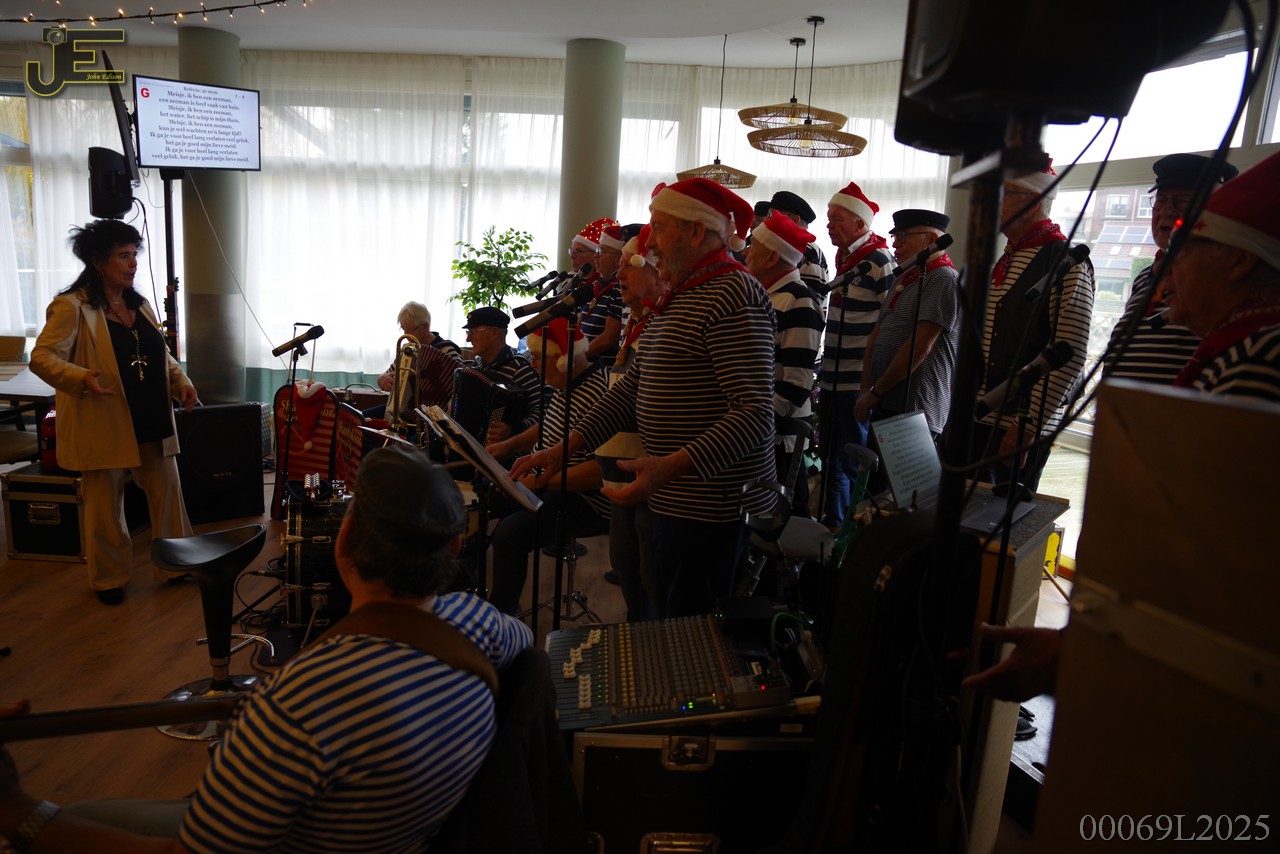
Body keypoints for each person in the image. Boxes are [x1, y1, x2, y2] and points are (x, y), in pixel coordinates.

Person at [0, 445, 533, 852]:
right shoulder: (482, 625)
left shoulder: (300, 703)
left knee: (78, 815)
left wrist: (15, 808)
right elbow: (527, 647)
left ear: (343, 540)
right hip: (405, 834)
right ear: (456, 546)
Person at [966, 150, 1280, 701]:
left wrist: (1077, 656)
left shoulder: (1255, 359)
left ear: (1238, 262)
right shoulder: (1156, 290)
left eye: (1189, 247)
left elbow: (1201, 560)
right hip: (1137, 460)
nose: (1172, 265)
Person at [514, 177, 776, 618]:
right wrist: (566, 448)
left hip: (709, 507)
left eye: (661, 226)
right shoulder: (682, 295)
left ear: (696, 231)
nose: (650, 240)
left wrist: (669, 466)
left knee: (690, 630)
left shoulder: (733, 293)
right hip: (672, 496)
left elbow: (754, 414)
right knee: (659, 612)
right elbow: (631, 388)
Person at [29, 220, 198, 606]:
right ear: (98, 261)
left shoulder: (139, 305)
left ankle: (175, 564)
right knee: (105, 506)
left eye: (135, 254)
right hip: (102, 421)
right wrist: (81, 376)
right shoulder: (72, 307)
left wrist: (181, 382)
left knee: (168, 494)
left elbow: (161, 355)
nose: (133, 262)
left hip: (152, 416)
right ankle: (109, 579)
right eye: (123, 255)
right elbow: (42, 357)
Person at [975, 160, 1094, 492]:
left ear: (1032, 201)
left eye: (1005, 194)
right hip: (980, 417)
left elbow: (1069, 352)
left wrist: (1027, 428)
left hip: (1016, 426)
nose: (996, 203)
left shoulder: (1067, 263)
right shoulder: (1007, 257)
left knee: (999, 516)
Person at [485, 319, 611, 615]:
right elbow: (548, 425)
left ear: (561, 358)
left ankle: (502, 616)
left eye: (538, 357)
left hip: (584, 499)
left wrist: (540, 482)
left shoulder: (599, 391)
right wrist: (509, 445)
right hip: (547, 481)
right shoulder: (567, 383)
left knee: (510, 533)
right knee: (484, 497)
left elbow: (601, 472)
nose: (533, 365)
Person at [1103, 153, 1239, 383]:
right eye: (1161, 200)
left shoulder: (1220, 276)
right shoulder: (1145, 276)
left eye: (1182, 202)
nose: (1166, 211)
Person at [595, 225, 670, 619]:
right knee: (625, 559)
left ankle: (646, 638)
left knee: (648, 567)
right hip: (619, 463)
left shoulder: (662, 325)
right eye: (619, 265)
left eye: (629, 266)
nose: (618, 274)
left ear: (659, 273)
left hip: (646, 467)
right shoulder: (637, 321)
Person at [818, 180, 895, 529]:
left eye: (837, 219)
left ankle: (848, 534)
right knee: (829, 456)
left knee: (850, 459)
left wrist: (871, 383)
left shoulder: (878, 261)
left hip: (855, 382)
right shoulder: (846, 260)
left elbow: (890, 320)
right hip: (832, 377)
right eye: (829, 218)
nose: (829, 224)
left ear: (861, 224)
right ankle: (832, 526)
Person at [855, 209, 960, 441]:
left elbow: (920, 347)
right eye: (895, 237)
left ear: (932, 239)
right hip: (884, 400)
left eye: (903, 236)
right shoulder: (905, 277)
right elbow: (877, 334)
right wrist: (866, 388)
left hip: (915, 409)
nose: (895, 244)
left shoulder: (943, 278)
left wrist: (876, 391)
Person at [744, 211, 824, 514]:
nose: (746, 253)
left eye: (753, 247)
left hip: (777, 437)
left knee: (782, 515)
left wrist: (755, 426)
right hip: (760, 429)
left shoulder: (799, 300)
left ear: (772, 257)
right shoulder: (763, 294)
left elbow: (796, 384)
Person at [459, 306, 544, 444]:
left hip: (506, 451)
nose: (468, 339)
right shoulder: (477, 365)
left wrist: (514, 430)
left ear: (494, 333)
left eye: (473, 332)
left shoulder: (519, 369)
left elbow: (542, 413)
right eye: (468, 332)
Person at [372, 301, 462, 419]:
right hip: (403, 412)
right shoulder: (408, 350)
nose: (406, 335)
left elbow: (462, 384)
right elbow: (388, 374)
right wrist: (381, 379)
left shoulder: (447, 350)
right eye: (404, 330)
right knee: (361, 418)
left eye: (410, 330)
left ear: (425, 327)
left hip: (433, 418)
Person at [580, 223, 637, 361]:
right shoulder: (596, 284)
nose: (595, 256)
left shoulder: (620, 289)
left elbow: (609, 338)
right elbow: (578, 324)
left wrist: (576, 356)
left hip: (601, 367)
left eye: (601, 251)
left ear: (618, 258)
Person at [768, 189, 831, 296]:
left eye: (772, 216)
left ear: (794, 220)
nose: (767, 220)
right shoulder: (786, 245)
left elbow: (810, 300)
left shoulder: (808, 252)